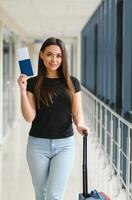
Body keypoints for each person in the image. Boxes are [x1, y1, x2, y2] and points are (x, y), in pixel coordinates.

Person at [17, 37, 88, 200]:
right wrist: (22, 91)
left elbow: (77, 113)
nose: (54, 59)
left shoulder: (72, 82)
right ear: (41, 55)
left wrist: (81, 126)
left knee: (54, 194)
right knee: (41, 194)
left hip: (65, 145)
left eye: (59, 55)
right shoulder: (33, 83)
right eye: (49, 54)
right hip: (37, 145)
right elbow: (29, 117)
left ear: (63, 58)